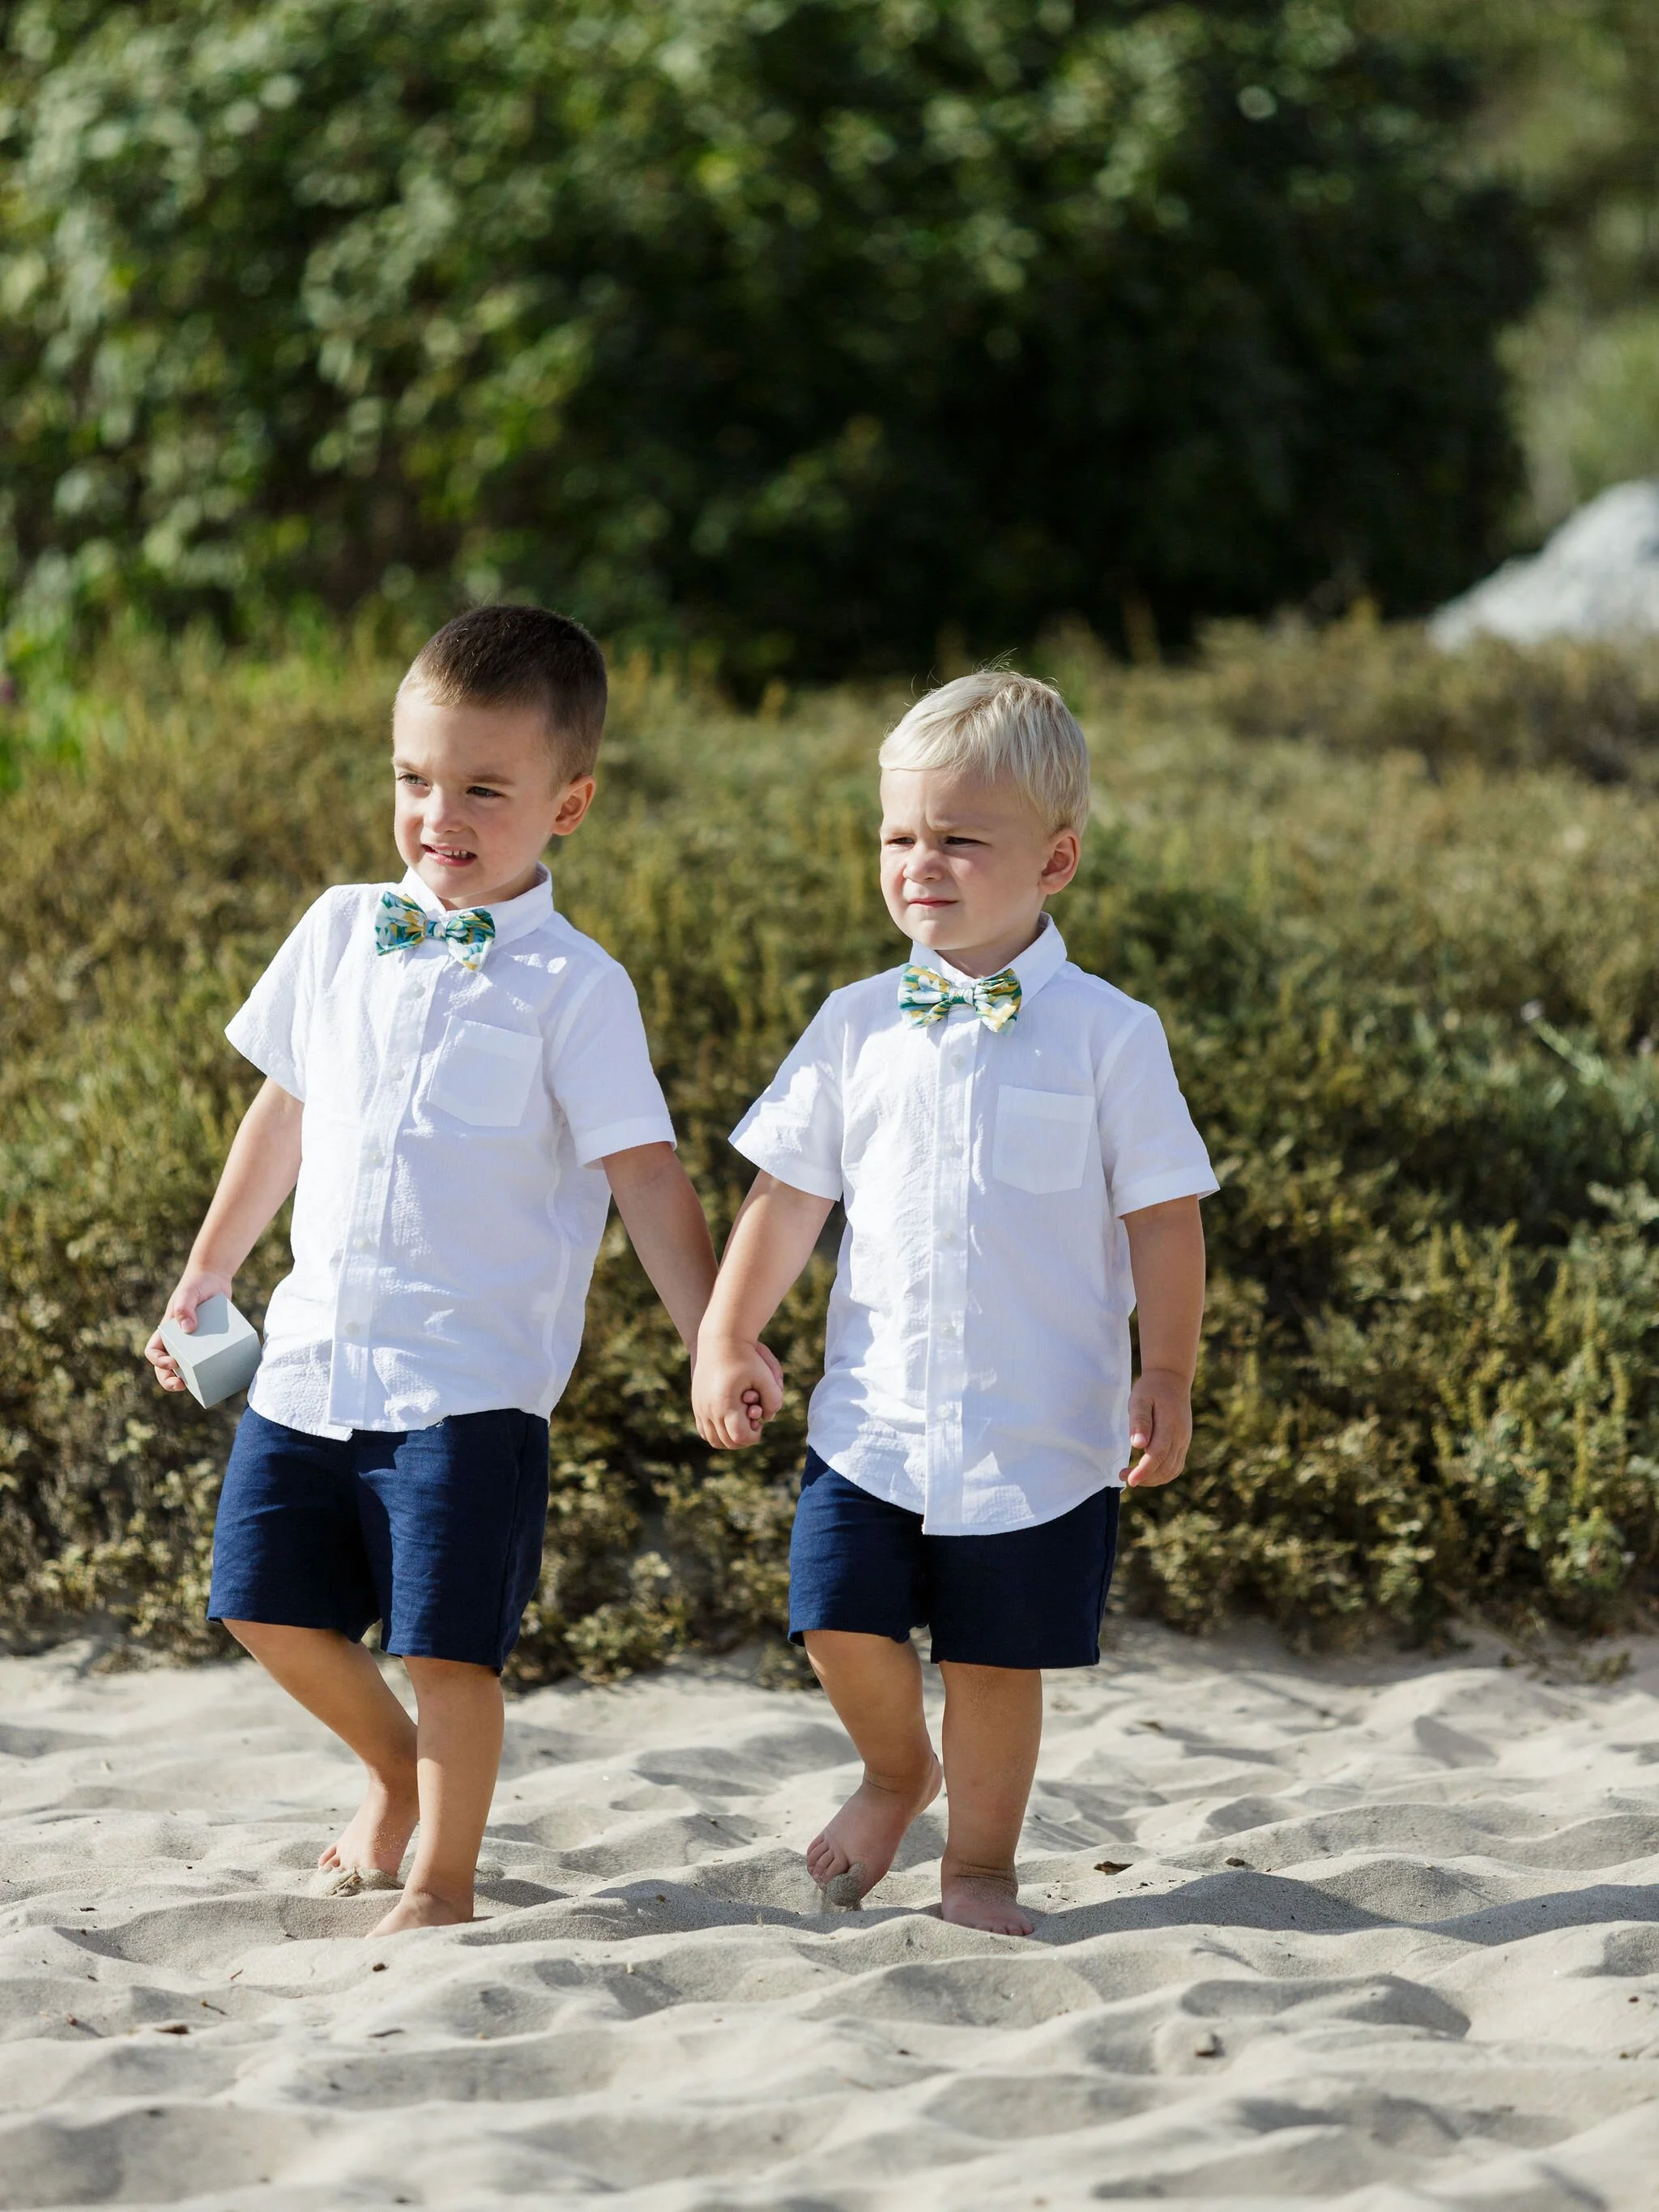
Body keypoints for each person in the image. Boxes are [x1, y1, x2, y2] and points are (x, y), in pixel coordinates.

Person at [146, 604, 727, 1937]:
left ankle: (442, 1881)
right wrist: (205, 1274)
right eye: (414, 779)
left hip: (467, 1386)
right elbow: (281, 1111)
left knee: (446, 1647)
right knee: (258, 1604)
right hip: (308, 1361)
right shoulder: (342, 929)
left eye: (483, 788)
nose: (437, 814)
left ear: (568, 802)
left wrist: (716, 1335)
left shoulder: (578, 989)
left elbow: (647, 1175)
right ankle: (390, 1767)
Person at [693, 670, 1216, 1937]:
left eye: (959, 838)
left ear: (1058, 859)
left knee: (994, 1661)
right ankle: (893, 1769)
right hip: (869, 1419)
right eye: (899, 836)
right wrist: (726, 1329)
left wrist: (1170, 1372)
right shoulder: (854, 1023)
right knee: (833, 1618)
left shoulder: (1110, 1035)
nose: (920, 862)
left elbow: (1164, 1216)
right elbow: (787, 1197)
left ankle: (978, 1866)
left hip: (1037, 1430)